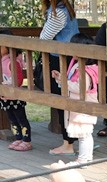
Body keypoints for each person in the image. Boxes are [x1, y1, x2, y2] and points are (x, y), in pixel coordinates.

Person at [38, 0, 79, 154]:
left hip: (61, 60)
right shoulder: (66, 9)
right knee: (67, 100)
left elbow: (44, 37)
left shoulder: (58, 12)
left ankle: (68, 144)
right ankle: (71, 140)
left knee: (62, 101)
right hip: (69, 59)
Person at [52, 33, 99, 163]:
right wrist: (60, 79)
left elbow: (80, 88)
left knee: (85, 134)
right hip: (77, 106)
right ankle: (83, 158)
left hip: (84, 105)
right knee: (82, 134)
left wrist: (63, 81)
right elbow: (70, 83)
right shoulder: (77, 65)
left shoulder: (87, 70)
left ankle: (84, 159)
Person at [0, 32, 32, 151]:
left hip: (15, 96)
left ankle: (27, 140)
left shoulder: (12, 61)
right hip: (5, 96)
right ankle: (18, 138)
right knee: (12, 119)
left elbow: (19, 80)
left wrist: (8, 88)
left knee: (21, 119)